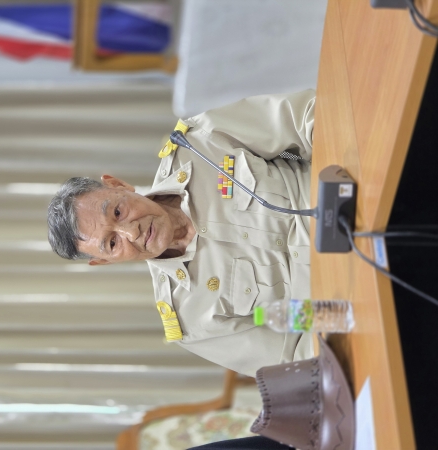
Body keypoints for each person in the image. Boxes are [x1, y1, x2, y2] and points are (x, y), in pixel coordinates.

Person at [47, 90, 315, 377]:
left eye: (117, 212)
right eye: (112, 243)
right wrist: (339, 313)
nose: (132, 231)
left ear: (118, 185)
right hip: (340, 294)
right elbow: (293, 356)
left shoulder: (199, 145)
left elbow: (302, 118)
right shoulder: (191, 317)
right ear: (105, 261)